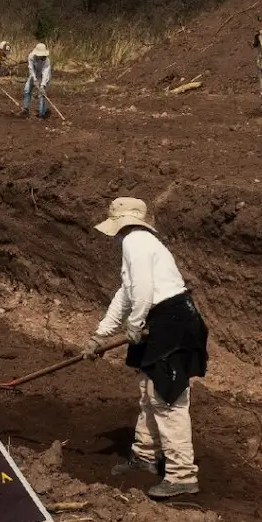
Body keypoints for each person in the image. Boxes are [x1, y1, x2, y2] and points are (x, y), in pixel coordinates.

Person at [82, 197, 209, 499]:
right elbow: (126, 293)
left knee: (167, 396)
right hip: (164, 319)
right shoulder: (141, 243)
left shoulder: (136, 242)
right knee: (149, 391)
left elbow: (142, 290)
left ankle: (181, 475)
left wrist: (135, 324)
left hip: (171, 320)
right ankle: (145, 455)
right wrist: (100, 335)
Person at [21, 43, 52, 120]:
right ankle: (25, 109)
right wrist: (34, 79)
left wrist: (42, 85)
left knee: (42, 94)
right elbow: (31, 68)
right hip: (34, 74)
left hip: (43, 77)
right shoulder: (31, 56)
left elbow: (45, 74)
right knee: (27, 90)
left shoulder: (47, 62)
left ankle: (42, 114)